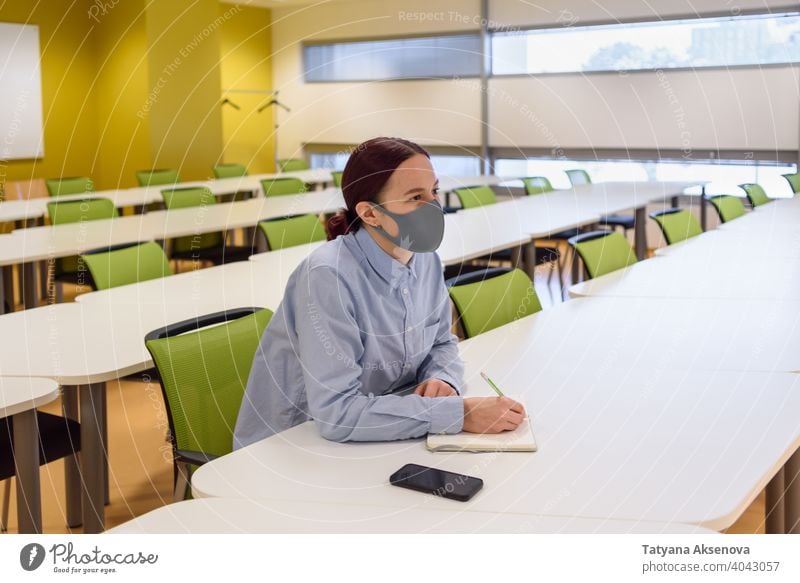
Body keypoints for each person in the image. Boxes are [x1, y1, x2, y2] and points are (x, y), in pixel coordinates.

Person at [234, 137, 525, 447]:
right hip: (295, 445)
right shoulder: (327, 278)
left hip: (383, 422)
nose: (433, 206)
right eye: (415, 197)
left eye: (434, 191)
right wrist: (458, 415)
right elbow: (337, 414)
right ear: (370, 214)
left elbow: (441, 341)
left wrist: (441, 378)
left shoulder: (425, 259)